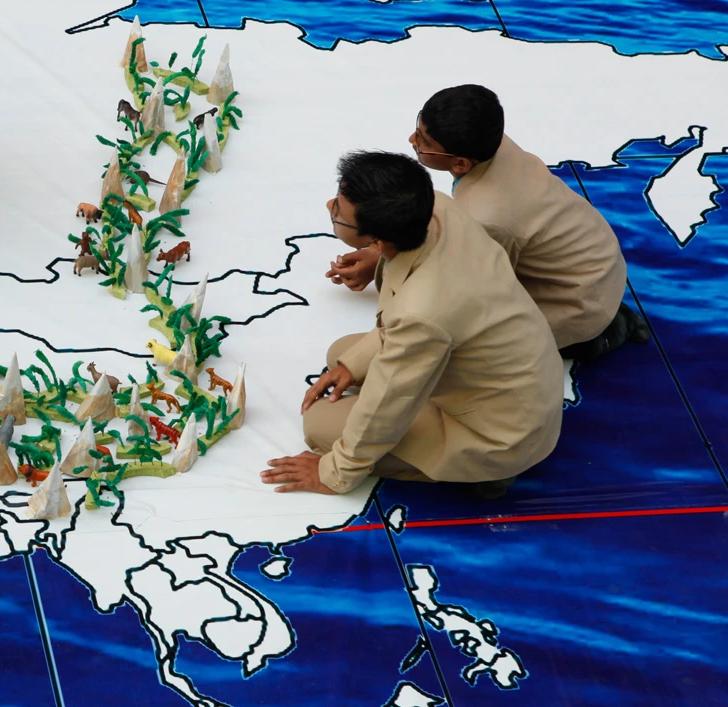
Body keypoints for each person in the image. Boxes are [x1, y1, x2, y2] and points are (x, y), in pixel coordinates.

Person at [267, 151, 562, 500]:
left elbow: (387, 404)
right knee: (343, 357)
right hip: (515, 384)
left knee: (319, 425)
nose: (330, 205)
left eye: (338, 212)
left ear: (377, 240)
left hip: (500, 435)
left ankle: (480, 472)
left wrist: (332, 472)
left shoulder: (421, 314)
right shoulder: (437, 207)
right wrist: (355, 362)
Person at [327, 85, 648, 362]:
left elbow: (461, 291)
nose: (411, 139)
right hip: (592, 266)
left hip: (578, 301)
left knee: (473, 345)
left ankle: (603, 335)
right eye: (418, 127)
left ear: (461, 163)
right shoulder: (489, 142)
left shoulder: (487, 215)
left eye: (423, 140)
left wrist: (385, 261)